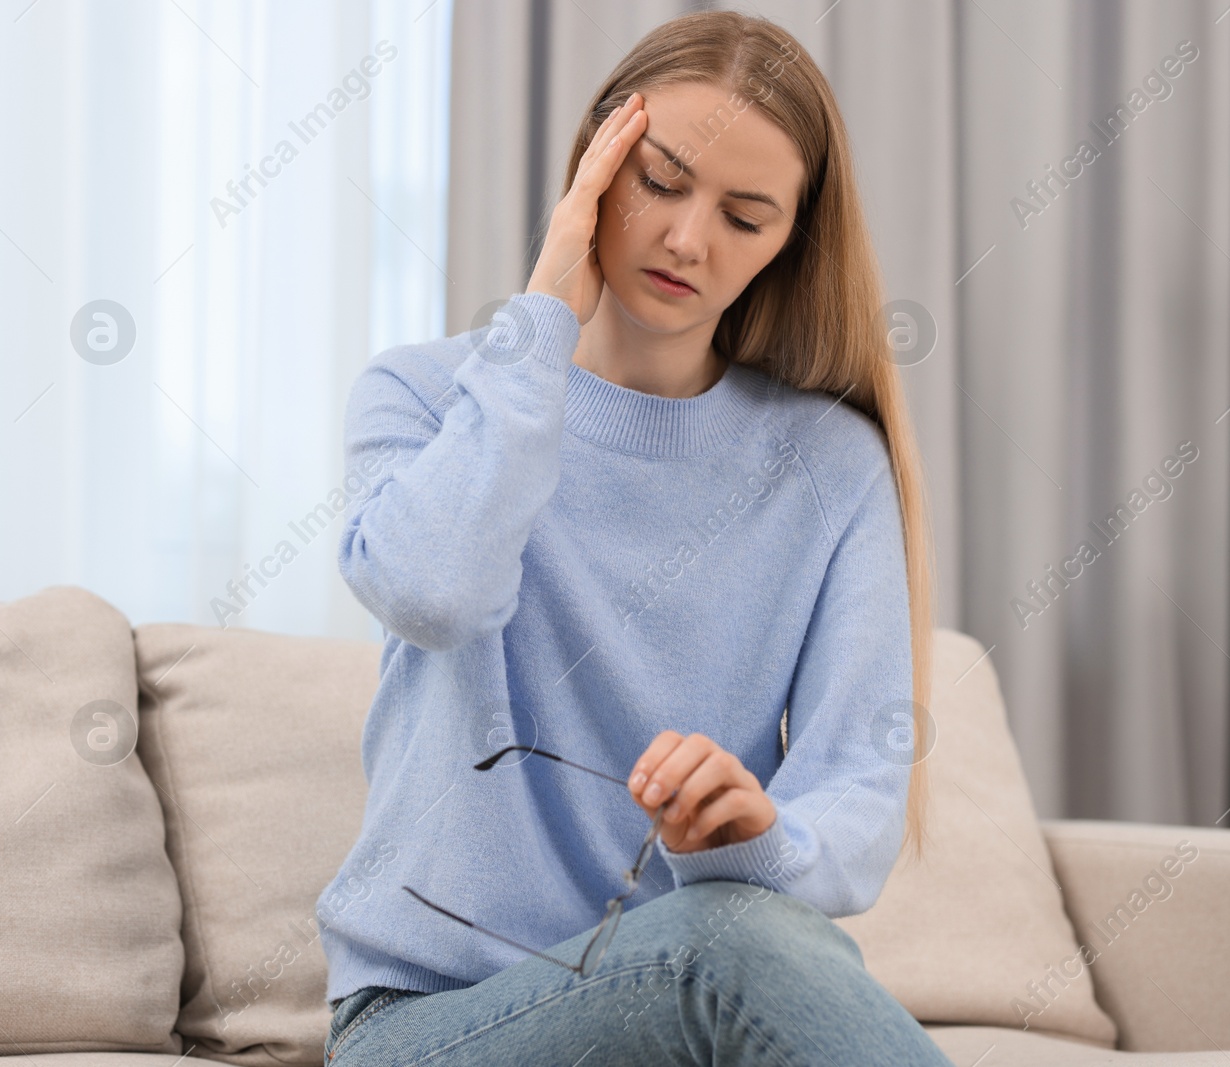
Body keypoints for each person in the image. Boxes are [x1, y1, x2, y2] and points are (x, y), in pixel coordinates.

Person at [316, 9, 949, 1064]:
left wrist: (761, 839)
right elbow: (435, 592)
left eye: (745, 217)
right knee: (730, 944)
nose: (688, 239)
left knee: (739, 936)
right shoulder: (426, 397)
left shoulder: (831, 466)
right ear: (596, 162)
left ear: (788, 245)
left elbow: (856, 784)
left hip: (683, 999)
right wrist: (540, 316)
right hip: (425, 1026)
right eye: (660, 180)